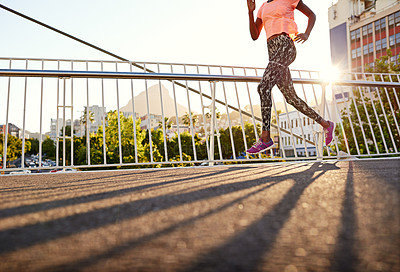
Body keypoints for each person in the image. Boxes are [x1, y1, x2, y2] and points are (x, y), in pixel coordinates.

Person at [246, 0, 335, 154]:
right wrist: (250, 11)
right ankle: (326, 124)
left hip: (285, 47)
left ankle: (265, 138)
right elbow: (255, 36)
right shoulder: (262, 8)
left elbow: (311, 15)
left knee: (263, 86)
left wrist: (306, 33)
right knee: (291, 98)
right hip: (272, 52)